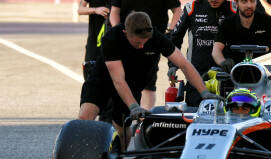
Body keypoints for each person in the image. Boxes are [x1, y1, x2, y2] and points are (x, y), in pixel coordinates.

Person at [78, 11, 218, 145]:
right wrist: (134, 106)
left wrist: (204, 92)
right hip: (104, 79)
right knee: (85, 117)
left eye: (145, 42)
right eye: (138, 43)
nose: (142, 46)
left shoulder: (156, 38)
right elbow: (118, 80)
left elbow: (184, 64)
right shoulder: (112, 38)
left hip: (133, 82)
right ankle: (79, 158)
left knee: (122, 128)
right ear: (126, 33)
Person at [110, 0, 182, 109]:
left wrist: (170, 30)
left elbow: (177, 10)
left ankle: (143, 118)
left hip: (151, 42)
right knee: (124, 77)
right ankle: (125, 112)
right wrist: (117, 30)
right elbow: (114, 12)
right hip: (126, 40)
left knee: (148, 82)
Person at [168, 0, 236, 106]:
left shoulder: (234, 10)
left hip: (226, 75)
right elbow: (175, 38)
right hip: (196, 75)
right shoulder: (191, 8)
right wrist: (173, 64)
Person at [212, 0, 271, 70]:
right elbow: (216, 50)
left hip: (263, 74)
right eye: (244, 1)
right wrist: (223, 62)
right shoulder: (227, 23)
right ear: (236, 3)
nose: (249, 5)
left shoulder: (268, 21)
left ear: (257, 2)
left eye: (252, 1)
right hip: (234, 74)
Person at [77, 0, 121, 80]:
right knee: (90, 77)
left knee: (114, 78)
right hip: (94, 41)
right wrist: (96, 10)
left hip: (114, 40)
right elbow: (80, 9)